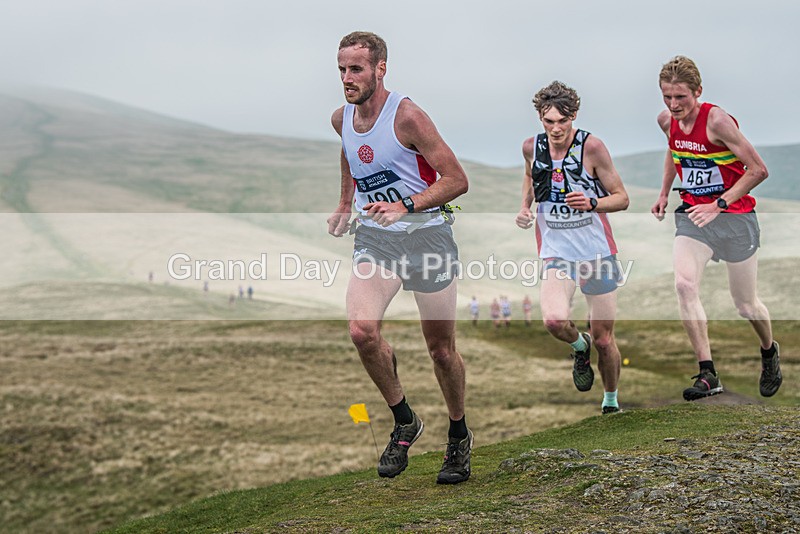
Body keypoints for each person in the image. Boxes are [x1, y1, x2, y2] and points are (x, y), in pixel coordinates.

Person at [327, 31, 472, 484]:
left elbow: (457, 180)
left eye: (356, 69)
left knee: (441, 351)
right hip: (379, 240)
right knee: (362, 330)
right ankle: (405, 420)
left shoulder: (407, 117)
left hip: (427, 238)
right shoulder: (341, 118)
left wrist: (406, 206)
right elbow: (350, 153)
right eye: (341, 69)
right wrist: (345, 203)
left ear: (380, 68)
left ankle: (458, 436)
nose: (347, 79)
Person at [651, 56, 781, 401]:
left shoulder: (718, 122)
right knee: (683, 284)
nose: (673, 105)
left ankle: (769, 351)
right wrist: (664, 192)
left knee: (746, 305)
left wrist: (719, 203)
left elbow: (758, 170)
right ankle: (708, 373)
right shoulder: (667, 121)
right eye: (667, 97)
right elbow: (674, 151)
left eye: (681, 97)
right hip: (695, 217)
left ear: (698, 92)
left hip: (735, 218)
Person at [516, 81, 629, 414]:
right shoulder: (530, 147)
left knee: (606, 339)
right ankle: (581, 347)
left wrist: (592, 202)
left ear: (573, 116)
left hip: (596, 253)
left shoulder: (592, 148)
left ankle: (610, 402)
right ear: (540, 118)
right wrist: (524, 207)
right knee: (553, 320)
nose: (555, 129)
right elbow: (529, 176)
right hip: (556, 252)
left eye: (562, 121)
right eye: (548, 122)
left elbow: (622, 198)